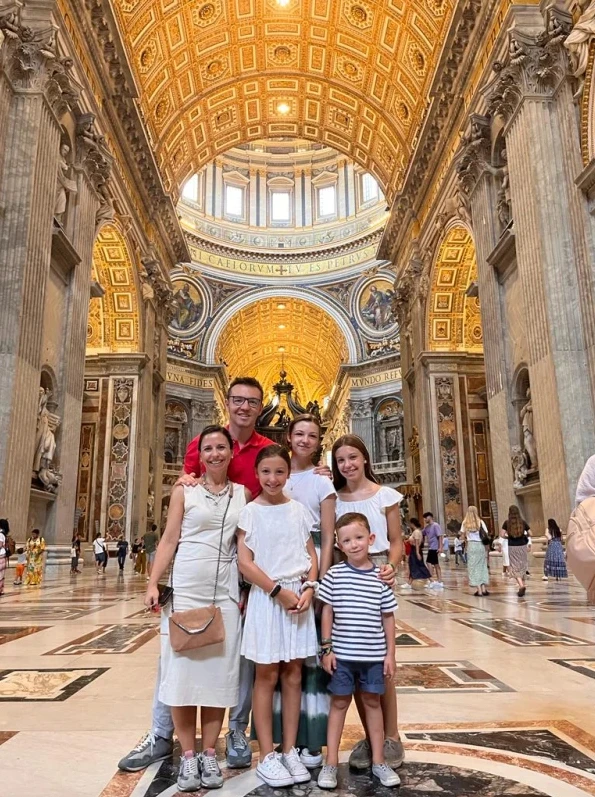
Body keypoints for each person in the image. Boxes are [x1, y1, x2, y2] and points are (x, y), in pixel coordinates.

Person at [118, 377, 275, 774]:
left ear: (260, 407)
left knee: (231, 659)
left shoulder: (263, 452)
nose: (244, 406)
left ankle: (232, 733)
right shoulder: (199, 449)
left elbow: (273, 492)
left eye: (251, 401)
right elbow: (180, 510)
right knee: (178, 659)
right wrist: (153, 581)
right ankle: (160, 734)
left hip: (234, 573)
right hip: (189, 576)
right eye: (237, 399)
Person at [145, 425, 250, 792]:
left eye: (222, 447)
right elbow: (169, 538)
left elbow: (246, 545)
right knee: (182, 674)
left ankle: (209, 752)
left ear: (231, 452)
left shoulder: (243, 493)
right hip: (187, 587)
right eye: (208, 448)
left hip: (224, 592)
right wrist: (152, 582)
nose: (216, 454)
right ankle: (187, 756)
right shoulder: (183, 490)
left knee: (218, 677)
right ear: (200, 454)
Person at [237, 444, 318, 787]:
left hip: (297, 597)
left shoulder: (299, 510)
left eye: (279, 472)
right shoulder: (250, 512)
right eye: (266, 472)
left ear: (288, 474)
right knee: (266, 675)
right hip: (267, 597)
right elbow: (245, 562)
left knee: (294, 673)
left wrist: (310, 587)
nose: (273, 478)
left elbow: (310, 554)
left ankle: (289, 750)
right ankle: (266, 754)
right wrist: (276, 591)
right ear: (257, 474)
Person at [332, 434, 404, 771]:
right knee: (354, 658)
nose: (347, 464)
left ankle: (392, 736)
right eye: (341, 460)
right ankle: (371, 736)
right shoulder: (334, 497)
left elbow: (397, 541)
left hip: (377, 575)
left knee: (382, 661)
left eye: (353, 457)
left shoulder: (385, 495)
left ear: (365, 459)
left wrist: (390, 566)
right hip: (346, 576)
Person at [318, 513, 400, 789]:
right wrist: (326, 648)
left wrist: (390, 653)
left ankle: (379, 761)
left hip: (373, 656)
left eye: (359, 538)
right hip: (342, 656)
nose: (354, 545)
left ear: (371, 539)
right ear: (340, 545)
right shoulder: (335, 574)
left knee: (373, 704)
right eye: (347, 540)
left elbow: (388, 616)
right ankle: (330, 762)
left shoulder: (381, 577)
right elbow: (327, 611)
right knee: (339, 704)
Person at [283, 413, 337, 767]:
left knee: (311, 654)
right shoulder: (274, 473)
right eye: (299, 433)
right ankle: (283, 735)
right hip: (281, 565)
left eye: (312, 435)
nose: (305, 440)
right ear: (288, 437)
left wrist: (323, 579)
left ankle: (312, 738)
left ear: (320, 442)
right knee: (284, 653)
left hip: (315, 563)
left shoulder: (323, 482)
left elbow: (329, 536)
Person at [502, 505, 530, 597]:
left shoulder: (507, 523)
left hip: (512, 546)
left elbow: (502, 535)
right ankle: (523, 583)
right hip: (522, 545)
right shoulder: (523, 522)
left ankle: (521, 585)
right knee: (522, 564)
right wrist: (525, 536)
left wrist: (508, 536)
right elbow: (531, 533)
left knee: (514, 566)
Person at [460, 506, 490, 597]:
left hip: (471, 546)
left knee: (473, 567)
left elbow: (461, 536)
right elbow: (486, 533)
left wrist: (466, 538)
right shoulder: (480, 522)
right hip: (480, 545)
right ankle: (484, 589)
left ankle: (479, 590)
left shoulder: (465, 523)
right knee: (482, 566)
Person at [422, 512, 444, 588]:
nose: (425, 519)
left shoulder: (435, 525)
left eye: (426, 517)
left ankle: (435, 580)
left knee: (430, 563)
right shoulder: (427, 527)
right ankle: (437, 580)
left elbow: (440, 536)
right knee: (434, 563)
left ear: (430, 517)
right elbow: (422, 533)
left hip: (434, 547)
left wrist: (440, 547)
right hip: (430, 547)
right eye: (424, 518)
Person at [406, 518, 431, 584]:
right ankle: (409, 582)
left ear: (412, 523)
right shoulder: (416, 531)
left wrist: (417, 553)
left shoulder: (416, 532)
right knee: (413, 565)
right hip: (414, 550)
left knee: (420, 565)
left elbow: (417, 543)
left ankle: (431, 581)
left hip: (415, 550)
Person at [0, 520, 7, 596]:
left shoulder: (0, 534)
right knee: (1, 573)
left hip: (0, 555)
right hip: (3, 555)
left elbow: (0, 545)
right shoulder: (3, 533)